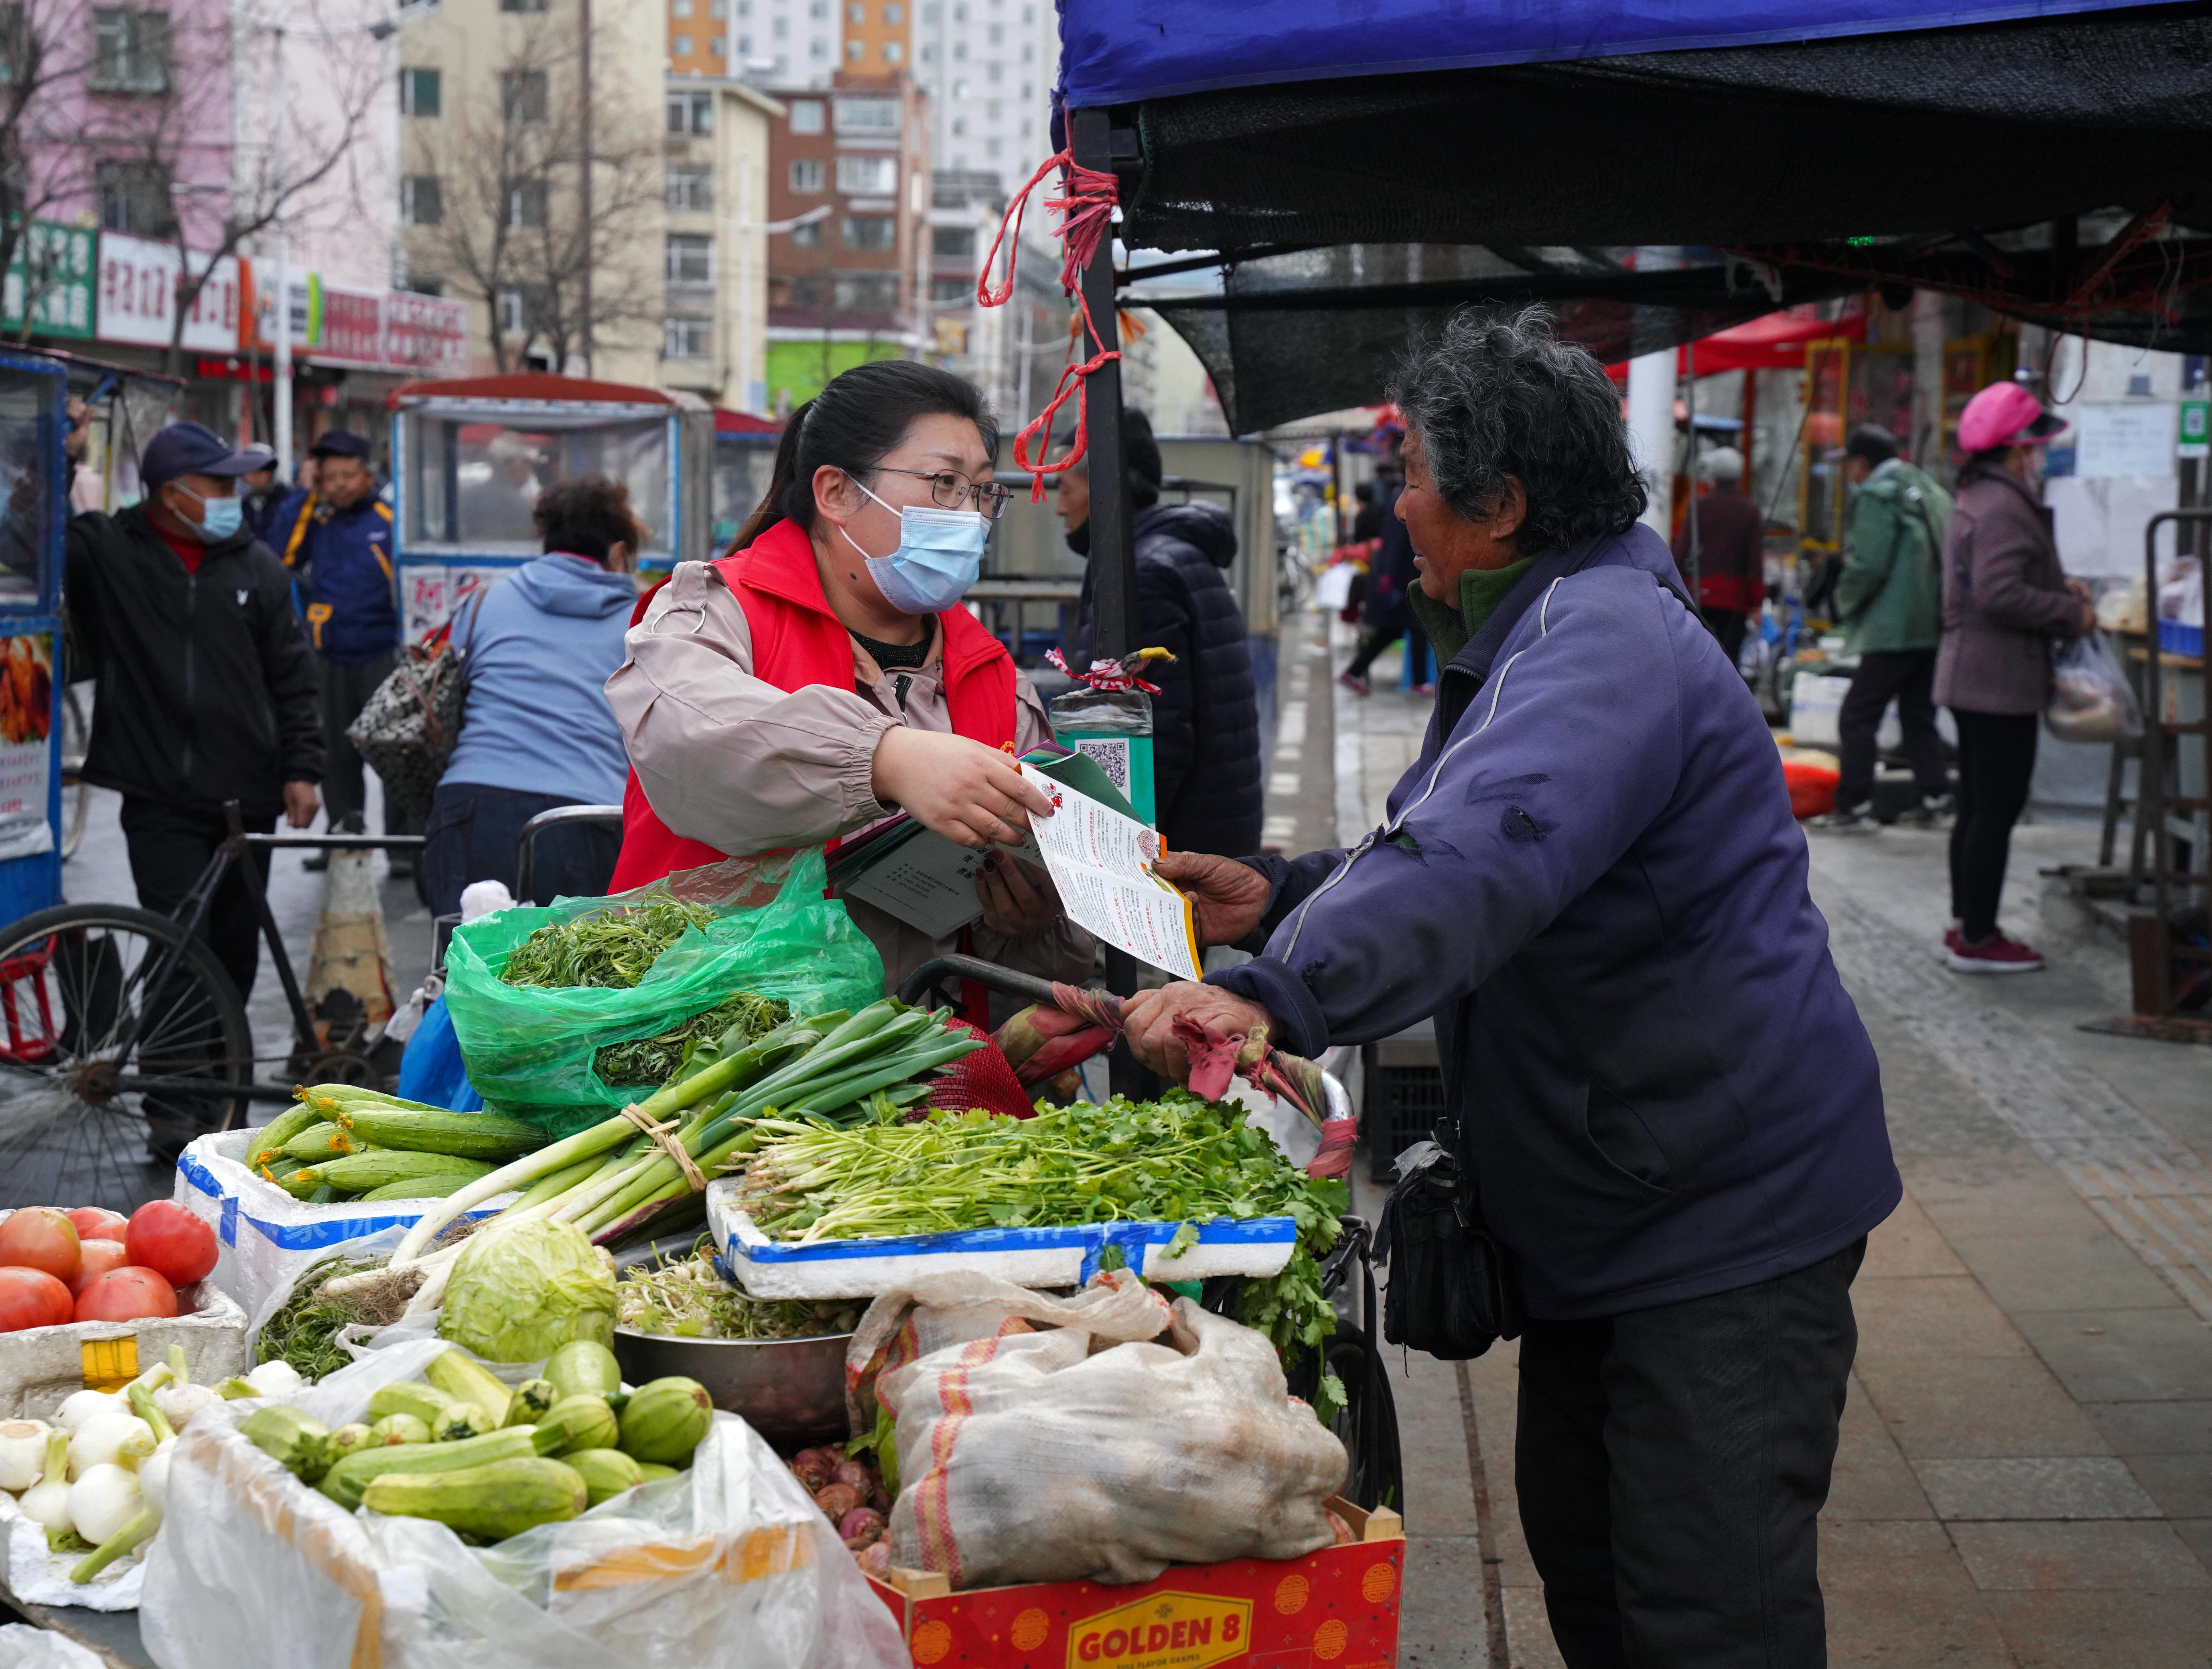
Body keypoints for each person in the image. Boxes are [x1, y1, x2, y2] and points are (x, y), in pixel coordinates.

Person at [1116, 307, 1898, 1669]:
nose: (1398, 505)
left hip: (1722, 1217)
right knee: (1591, 1561)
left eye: (1413, 475)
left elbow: (1488, 848)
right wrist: (1287, 893)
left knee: (1708, 1611)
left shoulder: (1605, 643)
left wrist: (1280, 992)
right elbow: (1452, 835)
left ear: (1502, 505)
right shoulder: (1553, 626)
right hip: (1621, 1201)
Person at [606, 359, 1093, 1002]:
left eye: (980, 492)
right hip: (705, 1049)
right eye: (943, 483)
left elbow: (1029, 954)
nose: (969, 517)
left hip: (912, 1068)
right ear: (835, 492)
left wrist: (1028, 922)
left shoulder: (992, 678)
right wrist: (882, 759)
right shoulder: (715, 611)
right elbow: (686, 735)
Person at [64, 422, 323, 1159]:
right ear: (172, 495)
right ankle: (174, 1110)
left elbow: (295, 680)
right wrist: (66, 449)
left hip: (249, 797)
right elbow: (35, 524)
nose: (232, 498)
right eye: (218, 485)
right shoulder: (109, 551)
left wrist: (303, 768)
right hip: (157, 796)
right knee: (181, 948)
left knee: (233, 955)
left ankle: (215, 1093)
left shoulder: (260, 569)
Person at [420, 476, 643, 921]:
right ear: (618, 553)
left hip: (469, 808)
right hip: (583, 818)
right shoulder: (644, 619)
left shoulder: (484, 603)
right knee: (569, 984)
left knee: (462, 975)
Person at [1932, 380, 2090, 974]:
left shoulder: (1978, 495)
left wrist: (2055, 586)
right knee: (1993, 810)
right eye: (2037, 446)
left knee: (1975, 807)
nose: (2042, 456)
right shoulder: (2003, 504)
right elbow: (1999, 594)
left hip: (1971, 675)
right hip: (1996, 680)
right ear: (2018, 447)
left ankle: (1963, 924)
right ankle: (1978, 937)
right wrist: (2069, 612)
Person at [1056, 407, 1263, 859]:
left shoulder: (1138, 575)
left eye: (1064, 487)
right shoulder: (1175, 554)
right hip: (1213, 828)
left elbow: (1154, 733)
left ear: (1104, 488)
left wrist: (1118, 849)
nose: (1058, 506)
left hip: (1180, 847)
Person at [1808, 424, 1955, 834]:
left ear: (1862, 463)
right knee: (1918, 713)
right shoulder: (1927, 488)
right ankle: (1936, 798)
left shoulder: (1877, 496)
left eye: (1849, 466)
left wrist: (1843, 600)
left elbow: (1870, 564)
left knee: (1858, 715)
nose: (1848, 475)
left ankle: (1854, 806)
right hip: (1932, 622)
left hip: (1894, 626)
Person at [268, 430, 403, 867]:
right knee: (335, 756)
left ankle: (404, 846)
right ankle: (344, 838)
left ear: (368, 475)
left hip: (383, 652)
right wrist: (306, 495)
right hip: (328, 654)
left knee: (393, 752)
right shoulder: (317, 518)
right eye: (330, 478)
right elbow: (281, 555)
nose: (340, 485)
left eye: (349, 475)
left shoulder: (389, 518)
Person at [1671, 444, 1764, 667]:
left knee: (1695, 661)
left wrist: (1674, 587)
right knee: (1728, 663)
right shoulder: (1750, 512)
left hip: (1699, 596)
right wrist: (1757, 603)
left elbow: (1682, 552)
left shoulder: (1699, 507)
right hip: (1735, 601)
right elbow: (1754, 561)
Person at [1340, 478, 1431, 697]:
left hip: (1400, 580)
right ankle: (1417, 681)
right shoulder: (1405, 500)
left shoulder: (1401, 496)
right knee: (1414, 626)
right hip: (1401, 582)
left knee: (1395, 631)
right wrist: (1388, 577)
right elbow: (1395, 542)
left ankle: (1354, 672)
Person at [461, 432, 546, 542]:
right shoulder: (521, 503)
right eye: (527, 463)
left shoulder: (469, 496)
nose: (529, 469)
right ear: (512, 466)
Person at [236, 443, 285, 544]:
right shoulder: (238, 501)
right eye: (249, 470)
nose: (253, 476)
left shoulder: (287, 500)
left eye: (262, 470)